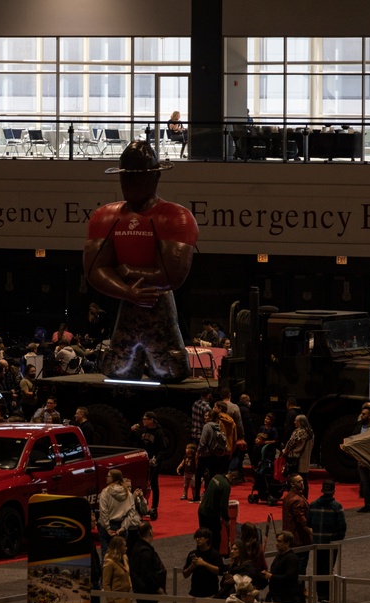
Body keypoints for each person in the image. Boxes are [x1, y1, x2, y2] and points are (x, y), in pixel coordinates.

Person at [84, 141, 198, 383]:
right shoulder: (105, 217)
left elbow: (172, 275)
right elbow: (93, 269)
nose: (130, 185)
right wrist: (127, 292)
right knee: (119, 367)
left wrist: (127, 272)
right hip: (130, 301)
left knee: (169, 368)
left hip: (158, 302)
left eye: (138, 178)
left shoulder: (175, 217)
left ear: (155, 177)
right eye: (127, 179)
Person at [183, 527, 224, 603]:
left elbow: (220, 571)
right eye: (196, 537)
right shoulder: (192, 555)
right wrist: (192, 566)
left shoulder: (214, 554)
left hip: (210, 595)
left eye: (200, 537)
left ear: (207, 539)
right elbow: (185, 574)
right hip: (194, 594)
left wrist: (204, 564)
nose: (198, 540)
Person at [129, 522, 168, 603]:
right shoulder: (144, 551)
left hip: (143, 591)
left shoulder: (139, 547)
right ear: (150, 532)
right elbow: (147, 574)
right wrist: (157, 588)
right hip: (147, 592)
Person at [308, 480, 346, 603]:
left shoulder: (313, 505)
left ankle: (320, 596)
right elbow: (342, 527)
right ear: (333, 491)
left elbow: (308, 523)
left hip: (317, 543)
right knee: (329, 569)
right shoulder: (337, 507)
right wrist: (334, 537)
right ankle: (327, 596)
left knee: (318, 570)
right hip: (330, 545)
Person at [98, 468, 140, 557]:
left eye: (108, 476)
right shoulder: (128, 493)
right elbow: (131, 512)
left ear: (114, 478)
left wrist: (108, 527)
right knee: (122, 556)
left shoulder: (105, 492)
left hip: (108, 527)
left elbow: (103, 511)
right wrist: (124, 527)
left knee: (106, 555)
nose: (106, 478)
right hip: (121, 526)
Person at [132, 411, 167, 518]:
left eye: (145, 419)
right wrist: (133, 431)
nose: (143, 421)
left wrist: (156, 460)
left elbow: (163, 449)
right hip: (144, 461)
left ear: (151, 420)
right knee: (141, 483)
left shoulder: (159, 432)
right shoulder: (144, 430)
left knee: (154, 484)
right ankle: (142, 506)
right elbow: (134, 441)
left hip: (154, 462)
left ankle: (154, 507)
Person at [281, 475, 313, 574]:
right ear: (292, 484)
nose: (302, 483)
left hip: (289, 537)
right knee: (300, 570)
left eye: (302, 481)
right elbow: (302, 521)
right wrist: (312, 532)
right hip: (299, 540)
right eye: (299, 482)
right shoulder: (297, 500)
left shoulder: (288, 496)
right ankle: (300, 588)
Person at [103, 536, 133, 603]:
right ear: (118, 547)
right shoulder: (109, 563)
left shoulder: (125, 558)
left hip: (126, 597)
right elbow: (106, 584)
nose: (126, 548)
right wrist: (110, 602)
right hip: (117, 599)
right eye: (124, 546)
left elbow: (128, 574)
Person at [194, 409, 224, 502]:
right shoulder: (218, 426)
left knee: (198, 475)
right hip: (215, 454)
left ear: (210, 417)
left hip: (205, 454)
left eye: (207, 416)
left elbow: (203, 442)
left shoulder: (207, 426)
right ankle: (209, 494)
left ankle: (196, 496)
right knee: (211, 475)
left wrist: (198, 452)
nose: (205, 417)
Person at [198, 471, 231, 553]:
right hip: (211, 515)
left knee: (202, 535)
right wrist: (226, 519)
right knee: (215, 538)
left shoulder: (216, 476)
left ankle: (201, 555)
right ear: (233, 478)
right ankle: (214, 558)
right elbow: (224, 505)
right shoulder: (226, 485)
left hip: (201, 510)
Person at [282, 414, 313, 495]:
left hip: (296, 459)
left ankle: (292, 495)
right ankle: (305, 496)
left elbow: (290, 444)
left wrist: (284, 451)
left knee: (293, 478)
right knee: (304, 479)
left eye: (296, 420)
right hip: (305, 459)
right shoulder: (311, 433)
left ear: (300, 422)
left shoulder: (298, 432)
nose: (294, 422)